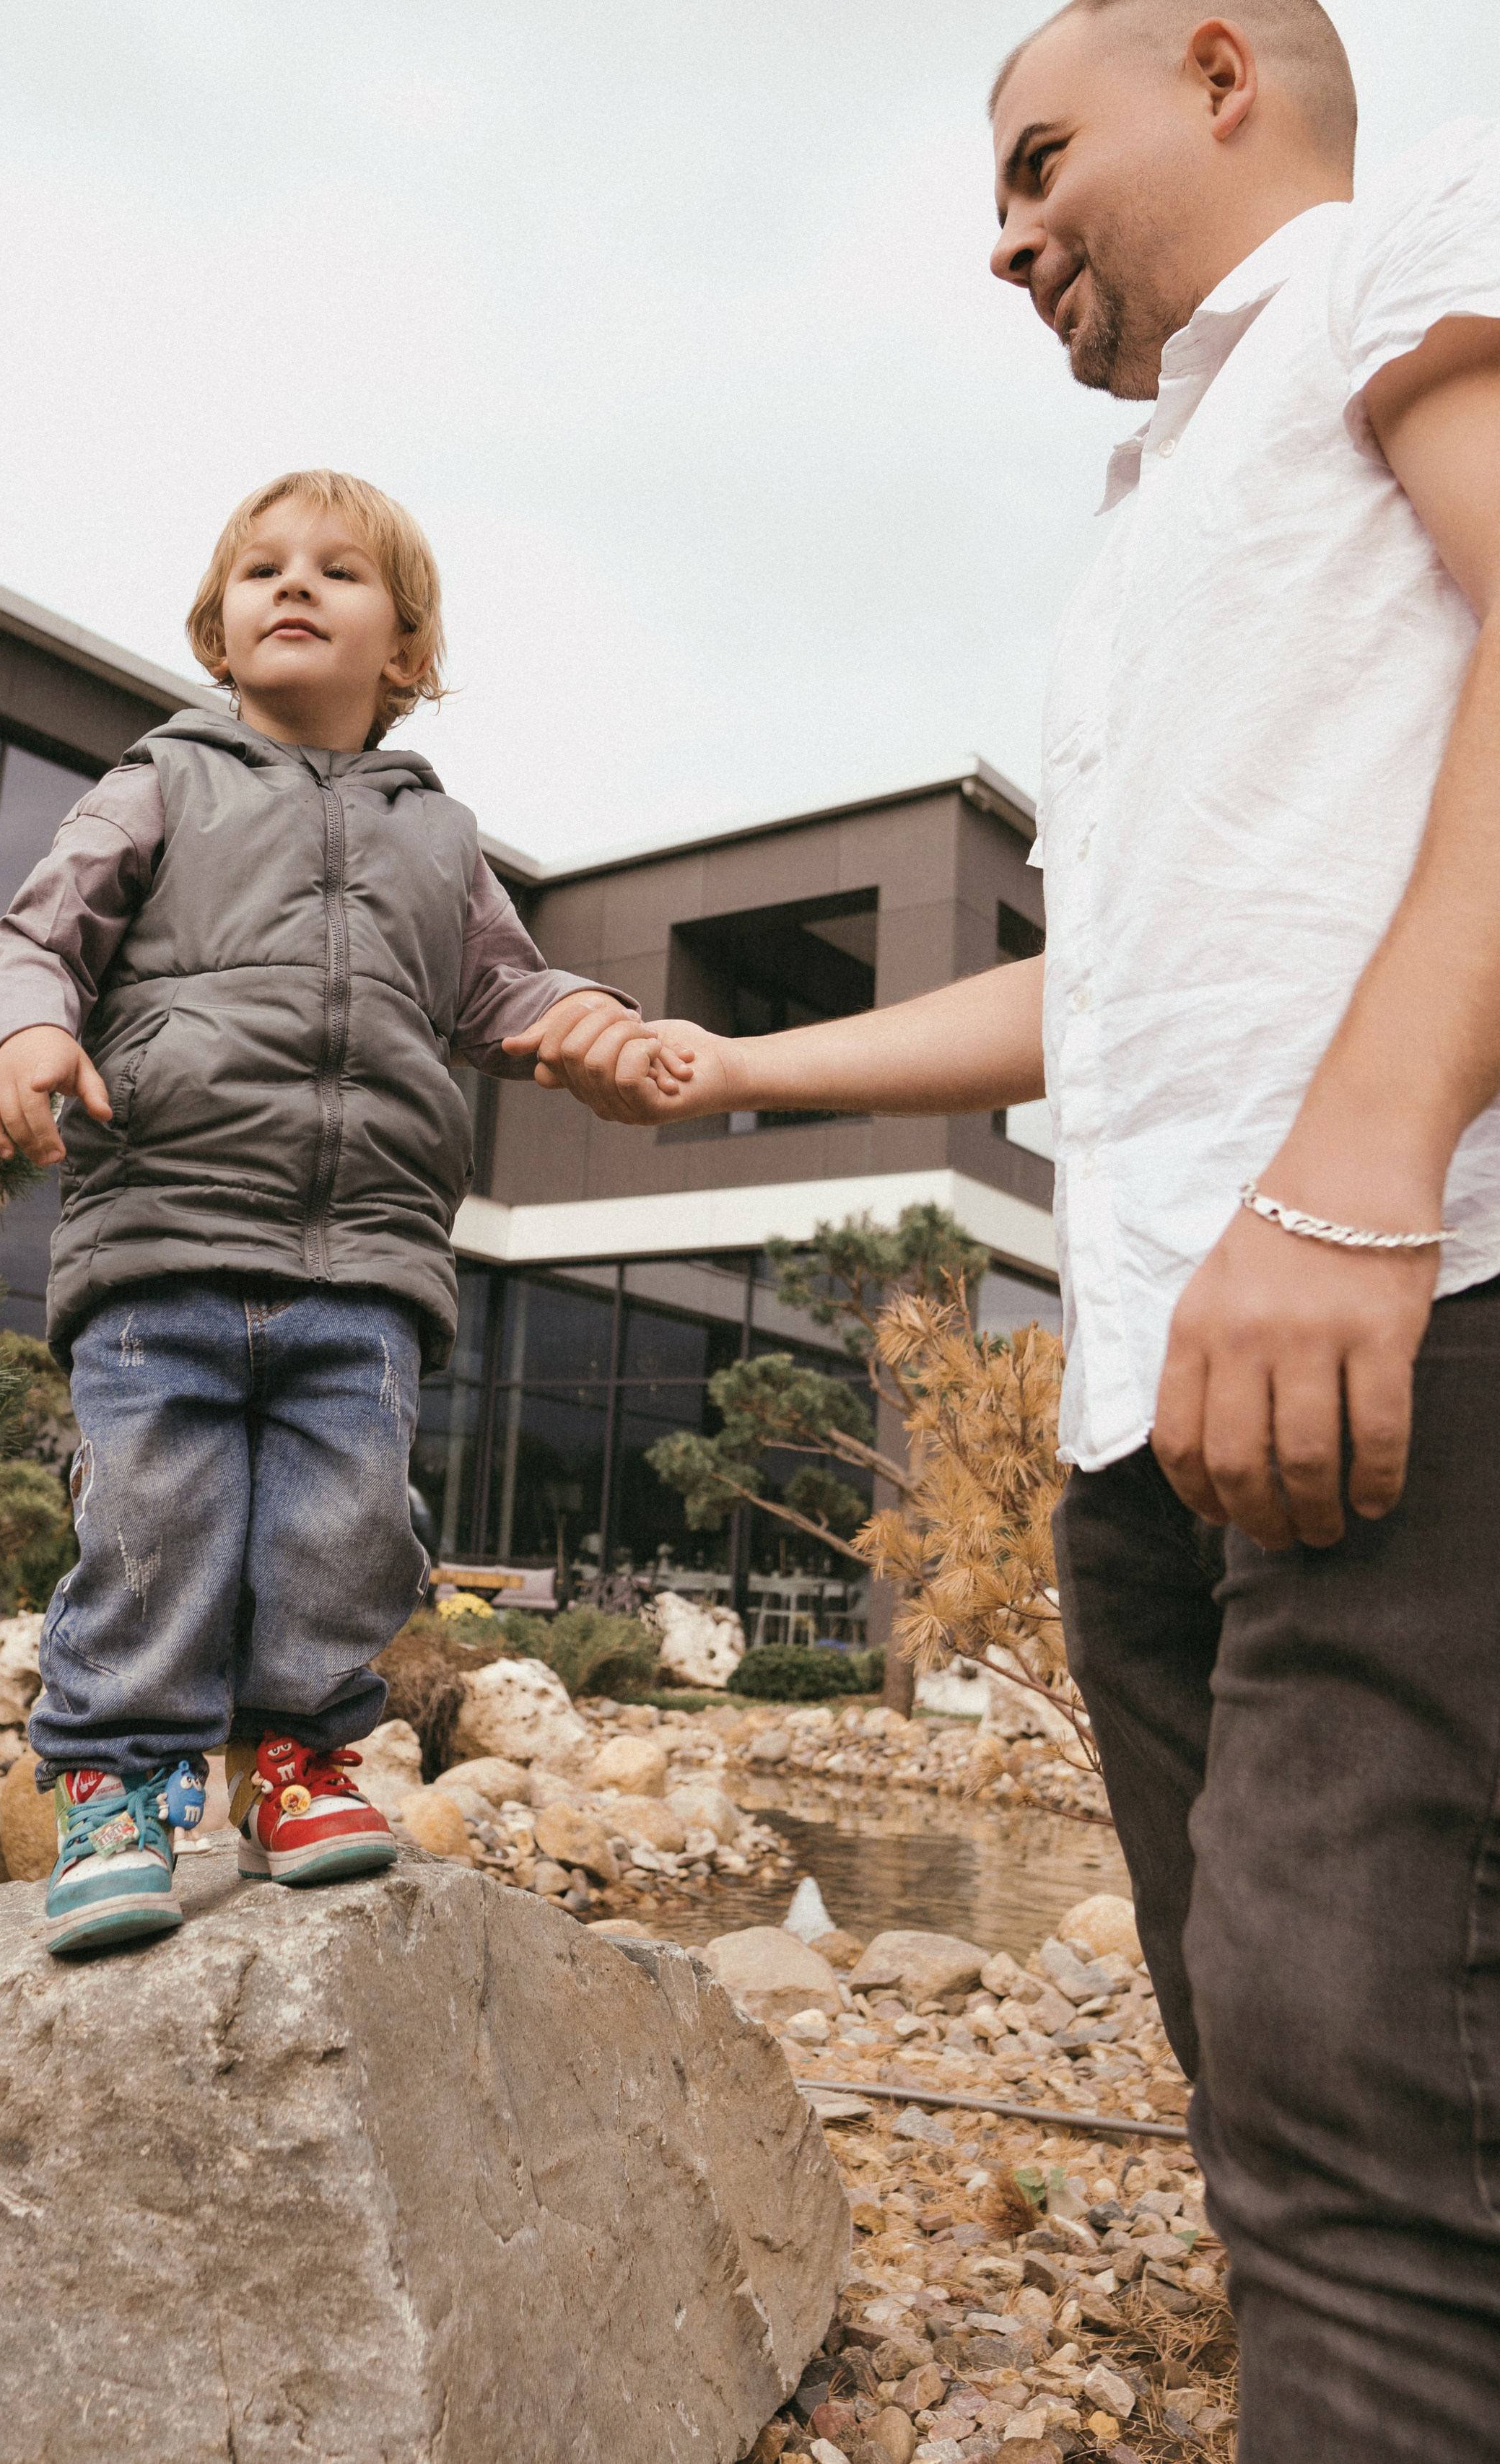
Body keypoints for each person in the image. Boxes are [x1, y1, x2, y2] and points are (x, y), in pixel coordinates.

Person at [523, 7, 1500, 2453]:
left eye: (1041, 157)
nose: (1002, 233)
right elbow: (1124, 971)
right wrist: (742, 1067)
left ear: (1222, 73)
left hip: (1400, 1330)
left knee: (1364, 2154)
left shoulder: (1405, 270)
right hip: (1160, 1406)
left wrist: (1363, 1175)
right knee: (1295, 2120)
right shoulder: (1154, 518)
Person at [0, 469, 655, 1958]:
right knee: (152, 1517)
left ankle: (296, 1762)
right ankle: (118, 1780)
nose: (293, 586)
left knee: (346, 1530)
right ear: (217, 634)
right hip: (166, 1234)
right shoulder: (161, 780)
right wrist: (30, 1033)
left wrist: (591, 1018)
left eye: (337, 574)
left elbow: (502, 988)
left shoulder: (436, 836)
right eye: (261, 570)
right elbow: (42, 932)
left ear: (404, 654)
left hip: (365, 1264)